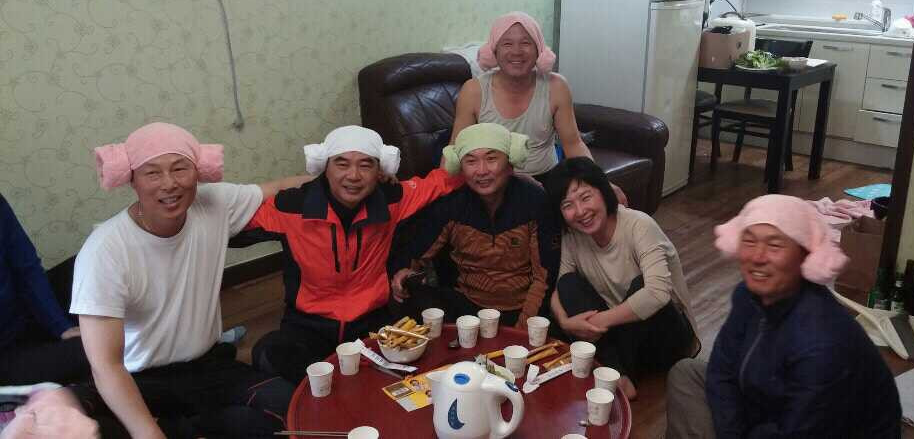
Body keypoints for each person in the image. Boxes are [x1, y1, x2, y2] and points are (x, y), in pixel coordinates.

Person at [69, 122, 310, 438]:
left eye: (180, 168)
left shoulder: (214, 204)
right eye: (152, 173)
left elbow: (278, 187)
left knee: (293, 413)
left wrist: (347, 175)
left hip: (210, 366)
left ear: (198, 170)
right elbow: (106, 366)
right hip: (142, 380)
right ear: (132, 179)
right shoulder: (104, 251)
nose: (169, 184)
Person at [665, 194, 902, 439]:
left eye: (775, 245)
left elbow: (798, 431)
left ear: (804, 255)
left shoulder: (822, 341)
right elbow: (722, 369)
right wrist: (732, 431)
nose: (757, 257)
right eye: (749, 241)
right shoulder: (748, 296)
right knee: (687, 373)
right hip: (767, 408)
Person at [241, 125, 463, 384]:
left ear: (380, 170)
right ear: (325, 166)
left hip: (372, 322)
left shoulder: (392, 198)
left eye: (365, 165)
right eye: (342, 164)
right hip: (307, 324)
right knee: (269, 354)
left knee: (416, 364)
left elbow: (442, 182)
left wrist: (480, 161)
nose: (354, 175)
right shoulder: (291, 206)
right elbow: (229, 216)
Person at [543, 157, 698, 400]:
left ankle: (611, 367)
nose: (580, 211)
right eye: (568, 205)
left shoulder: (639, 225)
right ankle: (619, 374)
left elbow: (658, 293)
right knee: (568, 284)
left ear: (604, 192)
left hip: (666, 337)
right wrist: (566, 322)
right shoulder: (573, 235)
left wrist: (597, 322)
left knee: (642, 285)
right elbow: (561, 285)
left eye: (586, 197)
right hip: (618, 334)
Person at [390, 123, 560, 327]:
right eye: (471, 161)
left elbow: (544, 277)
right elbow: (417, 251)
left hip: (520, 307)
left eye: (491, 159)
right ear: (460, 167)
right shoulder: (452, 203)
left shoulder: (534, 200)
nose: (481, 171)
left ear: (510, 162)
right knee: (411, 296)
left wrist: (523, 329)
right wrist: (406, 272)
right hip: (466, 305)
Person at [450, 11, 627, 204]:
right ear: (494, 51)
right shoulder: (473, 91)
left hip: (547, 181)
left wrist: (602, 183)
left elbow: (573, 144)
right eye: (507, 44)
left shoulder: (556, 87)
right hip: (494, 185)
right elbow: (455, 149)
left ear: (539, 50)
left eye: (525, 43)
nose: (516, 51)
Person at [0, 193, 88, 386]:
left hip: (23, 318)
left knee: (89, 265)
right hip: (6, 354)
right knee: (99, 347)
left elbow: (27, 267)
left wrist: (61, 326)